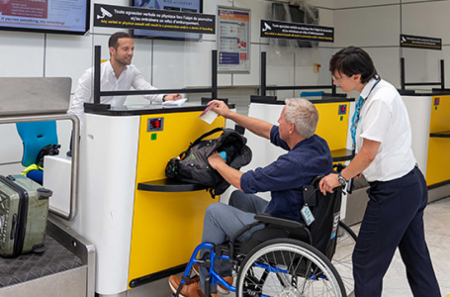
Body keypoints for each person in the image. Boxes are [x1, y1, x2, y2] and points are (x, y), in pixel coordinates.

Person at [168, 98, 333, 297]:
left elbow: (244, 181)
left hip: (282, 230)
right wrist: (229, 115)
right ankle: (224, 275)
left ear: (291, 127)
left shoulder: (292, 164)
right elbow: (267, 130)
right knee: (239, 198)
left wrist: (217, 163)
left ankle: (204, 288)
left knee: (214, 212)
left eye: (281, 119)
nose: (277, 122)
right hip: (299, 217)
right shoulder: (317, 145)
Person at [319, 46, 441, 297]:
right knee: (416, 258)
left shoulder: (380, 99)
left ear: (356, 76)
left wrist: (340, 177)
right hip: (408, 183)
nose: (335, 81)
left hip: (394, 191)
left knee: (366, 263)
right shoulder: (375, 92)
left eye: (338, 77)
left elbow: (368, 154)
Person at [67, 31, 181, 129]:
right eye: (125, 49)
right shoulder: (92, 74)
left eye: (132, 49)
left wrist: (166, 97)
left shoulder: (132, 71)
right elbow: (77, 109)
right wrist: (83, 135)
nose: (130, 53)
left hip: (111, 128)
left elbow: (146, 89)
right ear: (112, 50)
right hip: (87, 129)